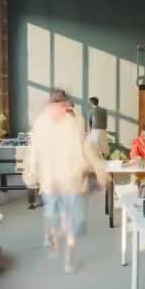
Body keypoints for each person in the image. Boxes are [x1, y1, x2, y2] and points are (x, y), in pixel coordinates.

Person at [24, 89, 109, 274]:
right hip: (52, 183)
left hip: (72, 183)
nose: (62, 109)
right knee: (56, 220)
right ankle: (53, 238)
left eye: (65, 106)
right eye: (58, 106)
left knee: (70, 224)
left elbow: (88, 148)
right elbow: (33, 151)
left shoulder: (76, 123)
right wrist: (30, 172)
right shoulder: (41, 124)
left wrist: (100, 171)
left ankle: (68, 256)